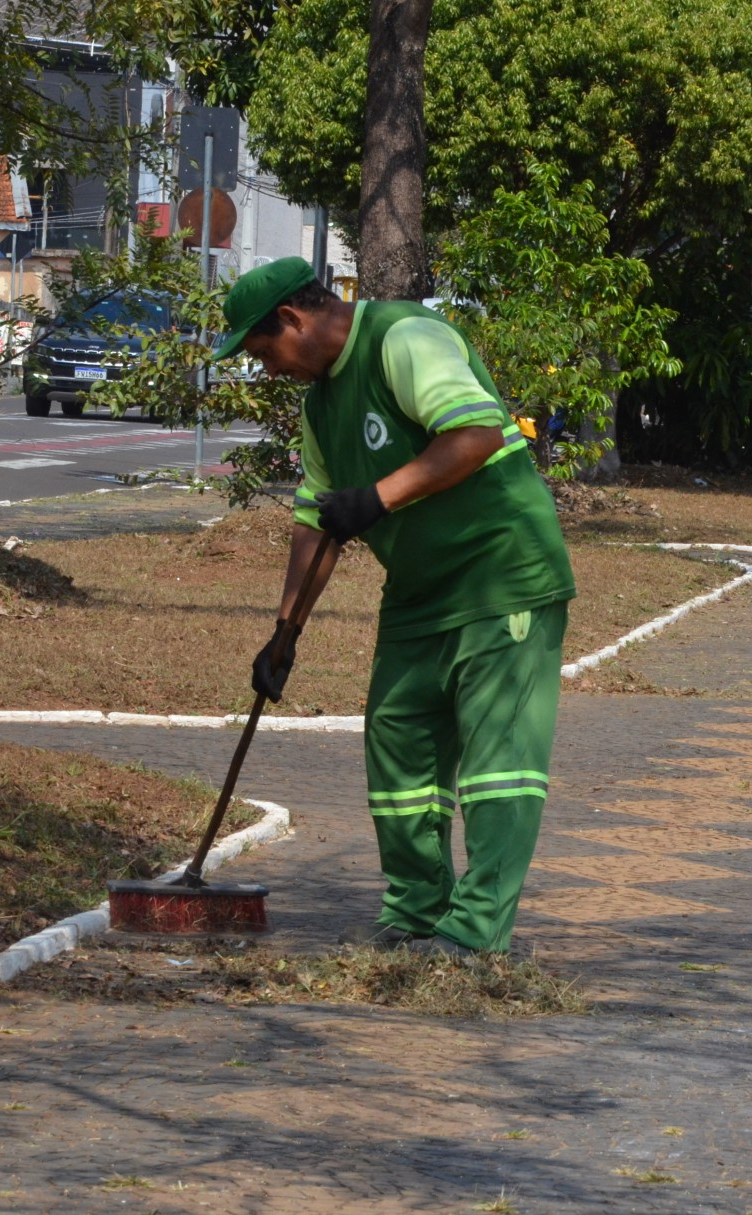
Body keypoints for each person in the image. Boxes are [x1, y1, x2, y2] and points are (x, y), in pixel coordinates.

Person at [216, 258, 576, 955]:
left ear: (293, 319)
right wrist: (283, 633)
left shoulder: (402, 338)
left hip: (502, 572)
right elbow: (316, 520)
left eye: (264, 354)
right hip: (419, 590)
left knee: (498, 758)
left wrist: (376, 498)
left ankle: (476, 934)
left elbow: (475, 436)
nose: (268, 372)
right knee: (396, 739)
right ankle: (417, 906)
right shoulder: (320, 405)